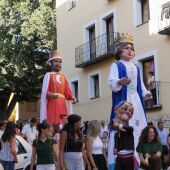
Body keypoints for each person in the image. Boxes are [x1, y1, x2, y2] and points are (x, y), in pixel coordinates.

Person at [108, 33, 152, 169]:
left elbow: (141, 85)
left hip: (136, 100)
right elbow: (111, 82)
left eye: (131, 48)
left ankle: (142, 159)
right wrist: (120, 81)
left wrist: (146, 94)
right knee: (124, 125)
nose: (129, 50)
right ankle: (121, 158)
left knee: (139, 125)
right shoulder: (116, 65)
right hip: (124, 100)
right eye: (126, 47)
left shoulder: (136, 67)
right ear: (119, 51)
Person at [40, 50, 76, 125]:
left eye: (60, 62)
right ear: (51, 63)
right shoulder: (48, 75)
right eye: (56, 61)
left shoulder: (64, 77)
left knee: (63, 123)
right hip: (52, 104)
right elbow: (45, 92)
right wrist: (51, 94)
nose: (58, 63)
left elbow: (67, 92)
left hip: (63, 105)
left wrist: (72, 97)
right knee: (53, 124)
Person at [112, 101, 134, 170]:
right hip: (119, 157)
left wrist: (119, 125)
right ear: (116, 109)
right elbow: (117, 138)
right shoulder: (117, 130)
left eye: (131, 112)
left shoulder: (128, 128)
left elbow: (130, 128)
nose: (128, 112)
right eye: (125, 108)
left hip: (128, 157)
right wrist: (115, 147)